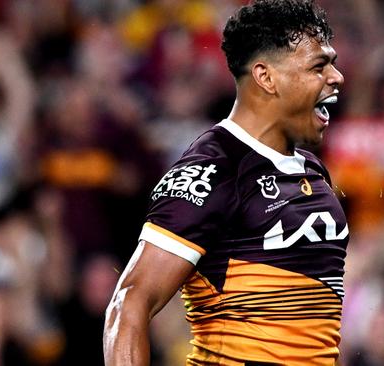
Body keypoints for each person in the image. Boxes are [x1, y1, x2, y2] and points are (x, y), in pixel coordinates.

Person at [103, 0, 347, 365]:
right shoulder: (213, 170)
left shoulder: (313, 170)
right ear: (266, 77)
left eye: (333, 63)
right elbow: (129, 304)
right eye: (318, 66)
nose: (336, 77)